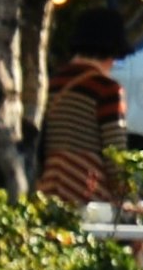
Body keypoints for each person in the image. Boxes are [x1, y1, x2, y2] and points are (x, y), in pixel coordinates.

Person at [36, 41, 127, 208]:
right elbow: (115, 149)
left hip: (50, 184)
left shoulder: (53, 82)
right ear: (111, 53)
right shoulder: (107, 88)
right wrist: (126, 194)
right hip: (88, 189)